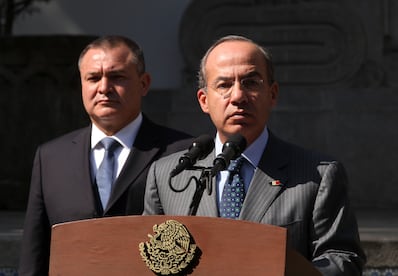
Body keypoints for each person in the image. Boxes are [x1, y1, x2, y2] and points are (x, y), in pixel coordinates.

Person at [143, 35, 366, 275]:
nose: (238, 96)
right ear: (204, 100)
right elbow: (148, 259)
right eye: (224, 85)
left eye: (251, 83)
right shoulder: (168, 174)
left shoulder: (317, 175)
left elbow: (343, 260)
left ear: (272, 94)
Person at [19, 35, 192, 275]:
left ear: (144, 84)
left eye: (117, 77)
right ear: (81, 85)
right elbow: (35, 252)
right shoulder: (50, 157)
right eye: (93, 78)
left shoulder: (182, 152)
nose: (104, 88)